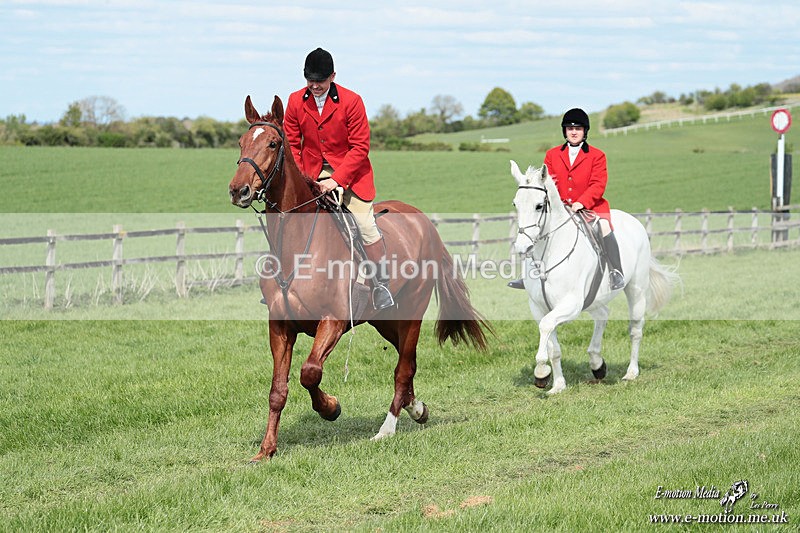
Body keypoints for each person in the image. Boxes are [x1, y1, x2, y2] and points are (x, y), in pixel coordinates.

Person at [283, 47, 394, 310]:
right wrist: (304, 179)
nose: (315, 86)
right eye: (310, 80)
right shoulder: (295, 100)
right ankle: (281, 282)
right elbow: (291, 144)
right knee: (286, 222)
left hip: (350, 176)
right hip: (309, 174)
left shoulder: (352, 101)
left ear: (333, 76)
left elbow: (359, 148)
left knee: (366, 226)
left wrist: (337, 180)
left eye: (320, 80)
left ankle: (380, 286)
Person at [509, 108, 625, 291]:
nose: (573, 132)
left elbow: (598, 184)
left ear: (584, 131)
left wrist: (581, 203)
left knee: (603, 226)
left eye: (578, 128)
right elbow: (549, 183)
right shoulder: (552, 155)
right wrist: (560, 205)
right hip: (560, 208)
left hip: (590, 207)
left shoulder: (597, 155)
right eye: (570, 128)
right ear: (565, 131)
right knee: (538, 228)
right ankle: (526, 276)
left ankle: (615, 271)